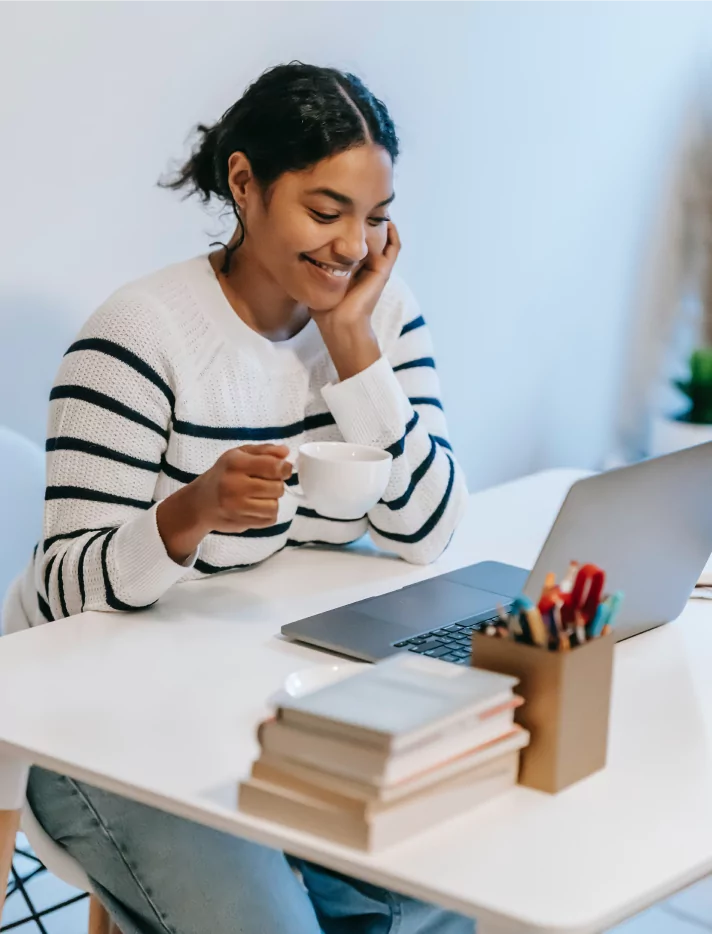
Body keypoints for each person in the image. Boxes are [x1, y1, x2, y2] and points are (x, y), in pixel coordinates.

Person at [6, 63, 470, 933]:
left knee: (449, 898)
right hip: (97, 725)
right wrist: (189, 514)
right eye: (325, 213)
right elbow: (64, 589)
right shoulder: (138, 336)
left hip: (271, 699)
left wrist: (354, 348)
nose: (350, 247)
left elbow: (430, 530)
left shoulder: (378, 314)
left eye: (373, 219)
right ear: (245, 183)